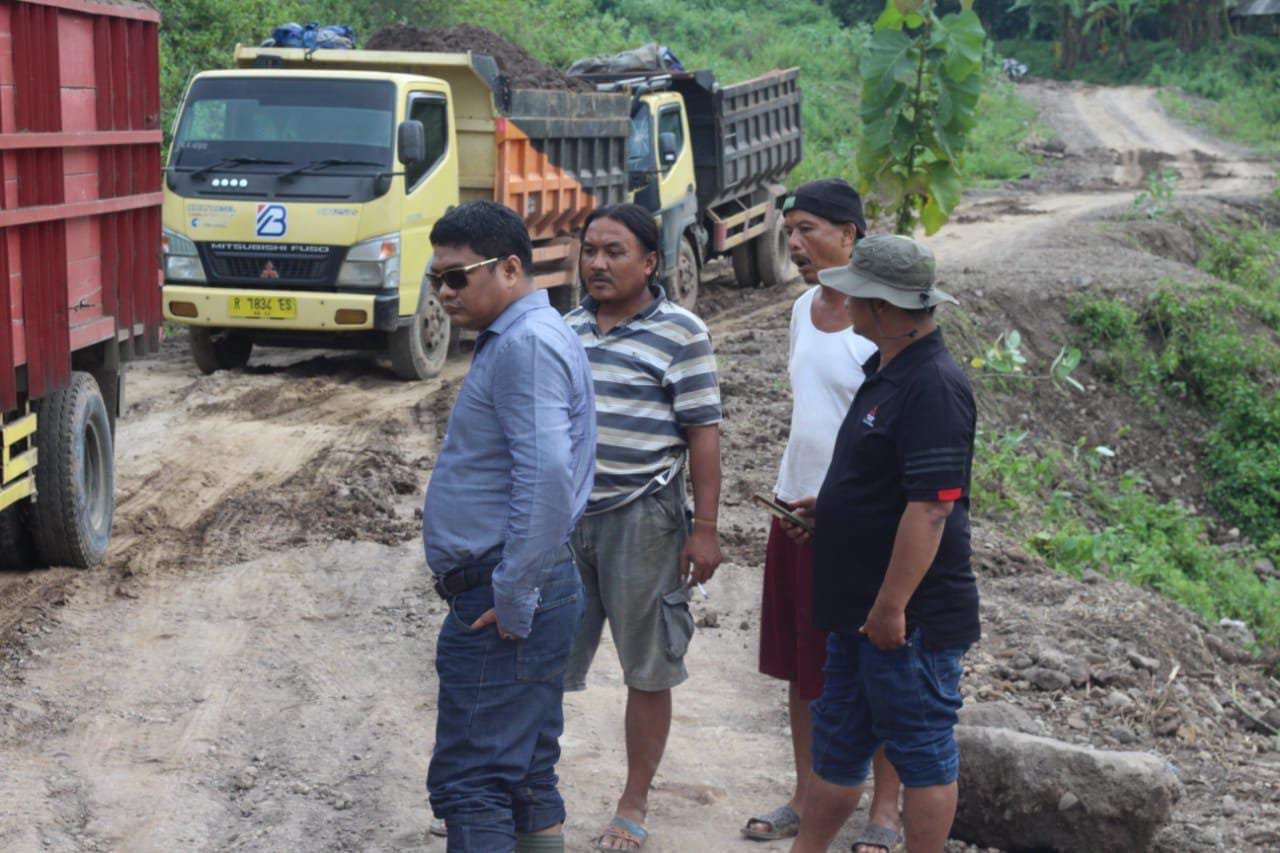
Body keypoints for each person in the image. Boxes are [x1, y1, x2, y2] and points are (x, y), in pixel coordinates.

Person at [786, 235, 979, 853]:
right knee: (838, 743)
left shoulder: (934, 386)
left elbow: (930, 510)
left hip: (905, 618)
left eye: (858, 296)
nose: (845, 303)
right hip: (858, 609)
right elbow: (889, 487)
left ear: (885, 309)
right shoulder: (888, 373)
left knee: (921, 748)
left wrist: (892, 605)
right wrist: (835, 511)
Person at [422, 201, 596, 853]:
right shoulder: (533, 335)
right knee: (524, 771)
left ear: (512, 268)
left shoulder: (525, 344)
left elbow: (547, 474)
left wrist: (512, 592)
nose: (443, 291)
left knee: (473, 780)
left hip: (507, 589)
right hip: (525, 580)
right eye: (436, 277)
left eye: (457, 276)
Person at [742, 180, 903, 853]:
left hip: (861, 524)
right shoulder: (804, 307)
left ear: (852, 233)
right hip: (795, 507)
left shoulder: (884, 323)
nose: (796, 244)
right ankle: (807, 794)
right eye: (791, 231)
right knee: (803, 665)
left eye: (808, 229)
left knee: (881, 668)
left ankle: (885, 812)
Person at [563, 203, 724, 851]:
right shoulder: (566, 328)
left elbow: (703, 435)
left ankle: (632, 802)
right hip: (568, 520)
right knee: (540, 659)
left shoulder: (682, 333)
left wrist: (705, 527)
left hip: (646, 519)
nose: (597, 263)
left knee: (648, 666)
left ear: (651, 263)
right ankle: (522, 786)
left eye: (615, 251)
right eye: (590, 250)